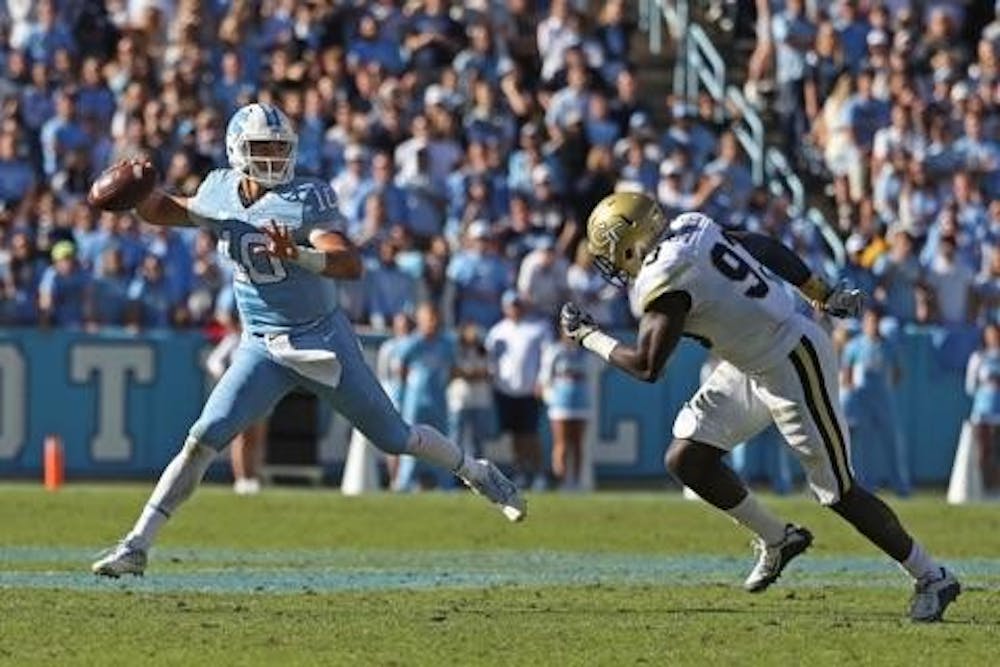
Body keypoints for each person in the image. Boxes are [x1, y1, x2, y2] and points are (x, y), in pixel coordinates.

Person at [91, 103, 526, 578]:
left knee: (395, 438)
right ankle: (137, 545)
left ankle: (476, 472)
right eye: (264, 149)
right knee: (202, 438)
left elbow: (349, 263)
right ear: (238, 150)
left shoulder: (306, 196)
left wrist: (296, 253)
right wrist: (136, 194)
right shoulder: (218, 189)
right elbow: (165, 211)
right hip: (260, 343)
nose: (275, 158)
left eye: (281, 148)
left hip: (321, 340)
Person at [560, 192, 960, 622]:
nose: (615, 266)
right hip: (749, 362)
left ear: (631, 243)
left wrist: (589, 337)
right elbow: (764, 247)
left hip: (791, 360)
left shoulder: (665, 275)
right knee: (687, 457)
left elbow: (647, 365)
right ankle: (778, 538)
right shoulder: (692, 228)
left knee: (838, 491)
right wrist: (819, 290)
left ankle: (932, 575)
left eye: (613, 255)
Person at [486, 290, 553, 490]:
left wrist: (542, 381)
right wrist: (494, 380)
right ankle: (520, 470)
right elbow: (492, 359)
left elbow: (547, 357)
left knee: (530, 434)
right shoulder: (497, 331)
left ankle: (539, 472)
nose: (514, 309)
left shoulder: (537, 328)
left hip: (529, 389)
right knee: (514, 435)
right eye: (511, 306)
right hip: (505, 389)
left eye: (517, 305)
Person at [840, 307, 909, 496]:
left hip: (883, 398)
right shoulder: (854, 346)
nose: (873, 325)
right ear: (864, 323)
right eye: (870, 321)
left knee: (892, 441)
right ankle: (866, 485)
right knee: (864, 444)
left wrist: (887, 388)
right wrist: (852, 393)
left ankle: (900, 485)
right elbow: (846, 374)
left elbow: (898, 372)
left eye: (876, 321)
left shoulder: (889, 345)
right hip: (862, 399)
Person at [538, 328, 591, 491]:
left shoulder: (585, 353)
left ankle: (575, 481)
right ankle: (562, 480)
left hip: (580, 401)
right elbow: (545, 376)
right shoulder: (555, 351)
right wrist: (549, 397)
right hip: (560, 401)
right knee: (561, 443)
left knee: (578, 443)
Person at [964, 323, 1000, 492]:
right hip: (983, 413)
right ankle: (984, 487)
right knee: (984, 451)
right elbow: (970, 387)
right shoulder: (978, 357)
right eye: (990, 334)